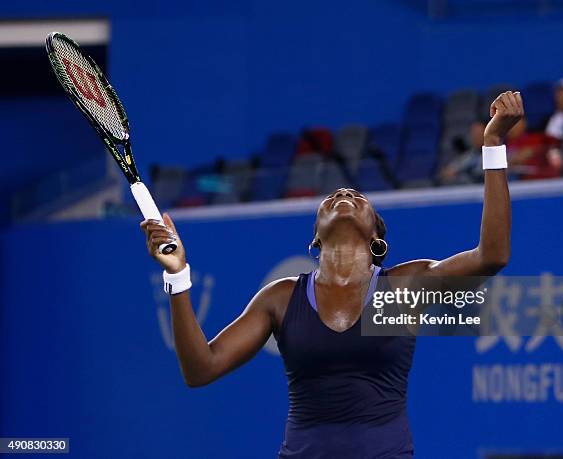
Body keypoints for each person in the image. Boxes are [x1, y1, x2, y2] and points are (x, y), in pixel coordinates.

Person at [141, 91, 523, 458]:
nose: (343, 193)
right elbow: (200, 370)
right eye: (332, 198)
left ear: (376, 236)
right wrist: (178, 278)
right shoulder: (281, 298)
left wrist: (492, 143)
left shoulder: (403, 286)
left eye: (358, 197)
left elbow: (492, 255)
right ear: (315, 238)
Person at [438, 120, 486, 185]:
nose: (475, 138)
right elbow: (448, 172)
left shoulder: (496, 155)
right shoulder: (468, 156)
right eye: (473, 134)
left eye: (478, 134)